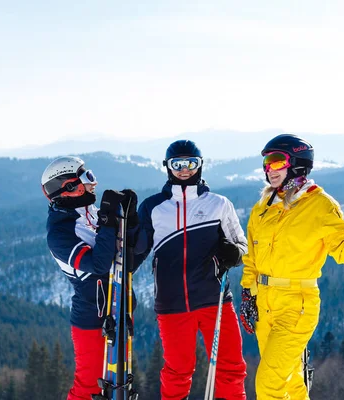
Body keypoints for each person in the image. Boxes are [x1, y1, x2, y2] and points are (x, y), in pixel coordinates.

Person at [239, 134, 344, 400]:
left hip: (296, 305)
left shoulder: (319, 205)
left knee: (268, 383)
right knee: (291, 382)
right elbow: (252, 255)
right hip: (265, 305)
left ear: (296, 163)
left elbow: (343, 248)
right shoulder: (263, 206)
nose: (268, 169)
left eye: (276, 161)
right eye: (266, 162)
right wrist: (248, 293)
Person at [134, 140, 248, 400]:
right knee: (177, 370)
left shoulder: (218, 204)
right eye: (178, 164)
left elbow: (240, 243)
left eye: (190, 163)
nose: (184, 170)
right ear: (167, 167)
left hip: (214, 299)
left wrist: (234, 253)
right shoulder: (153, 207)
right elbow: (137, 251)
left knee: (230, 367)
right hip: (173, 304)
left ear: (200, 165)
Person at [41, 156, 138, 400]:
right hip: (90, 320)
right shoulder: (60, 232)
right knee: (89, 387)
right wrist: (108, 222)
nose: (93, 183)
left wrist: (131, 221)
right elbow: (99, 264)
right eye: (86, 178)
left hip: (118, 312)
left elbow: (128, 261)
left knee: (118, 386)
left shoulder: (90, 215)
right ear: (69, 188)